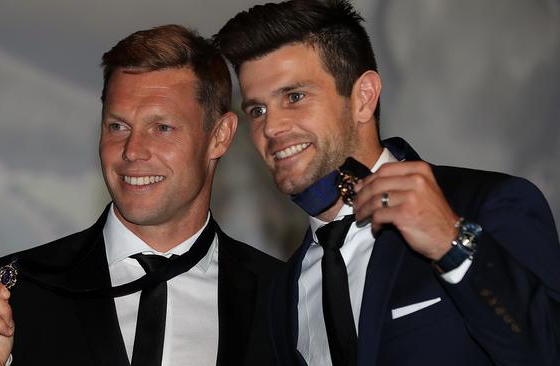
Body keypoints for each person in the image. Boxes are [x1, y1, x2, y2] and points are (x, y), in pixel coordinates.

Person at [215, 1, 560, 365]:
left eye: (295, 97)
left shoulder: (487, 204)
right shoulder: (283, 291)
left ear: (363, 98)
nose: (270, 128)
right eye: (257, 110)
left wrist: (453, 245)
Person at [0, 24, 282, 366]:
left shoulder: (285, 296)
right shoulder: (15, 291)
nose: (132, 150)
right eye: (118, 127)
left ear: (220, 136)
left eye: (162, 128)